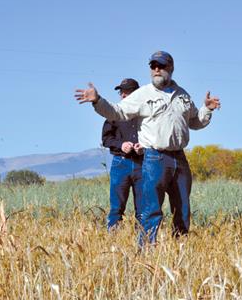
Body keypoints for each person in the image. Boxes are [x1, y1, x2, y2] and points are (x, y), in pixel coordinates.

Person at [75, 50, 221, 246]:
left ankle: (181, 250)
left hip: (180, 158)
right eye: (153, 66)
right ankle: (145, 253)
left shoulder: (183, 95)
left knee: (183, 209)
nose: (157, 70)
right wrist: (97, 101)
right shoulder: (142, 94)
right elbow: (117, 111)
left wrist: (207, 110)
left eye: (161, 66)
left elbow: (194, 122)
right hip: (154, 158)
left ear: (171, 68)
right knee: (151, 209)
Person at [101, 78, 143, 230]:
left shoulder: (145, 114)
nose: (123, 95)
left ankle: (143, 242)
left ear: (137, 93)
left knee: (143, 210)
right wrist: (121, 145)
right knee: (116, 208)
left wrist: (143, 147)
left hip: (143, 164)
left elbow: (155, 136)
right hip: (120, 163)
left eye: (127, 92)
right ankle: (113, 242)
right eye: (121, 92)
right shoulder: (114, 113)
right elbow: (106, 139)